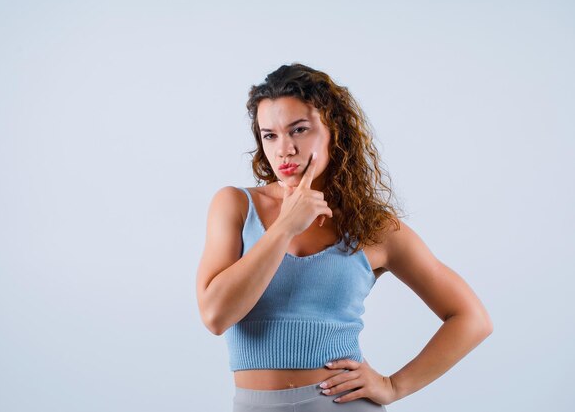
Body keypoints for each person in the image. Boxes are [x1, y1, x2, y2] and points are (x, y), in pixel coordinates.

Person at [196, 63, 493, 412]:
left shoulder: (373, 227)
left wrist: (393, 386)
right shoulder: (235, 205)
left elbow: (472, 318)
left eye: (299, 130)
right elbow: (215, 316)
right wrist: (285, 226)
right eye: (270, 135)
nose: (284, 149)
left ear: (333, 130)